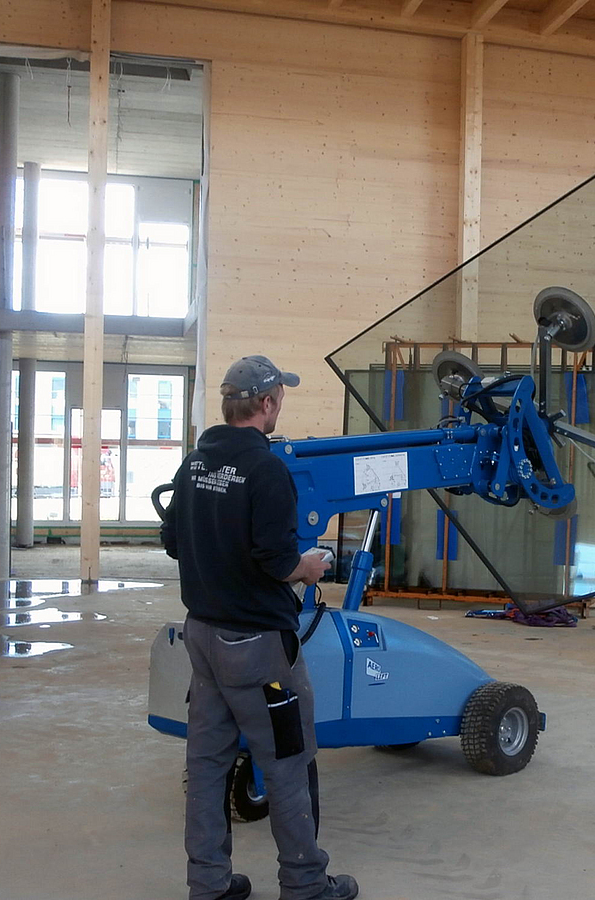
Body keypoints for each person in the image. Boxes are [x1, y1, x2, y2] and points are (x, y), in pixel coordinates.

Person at [161, 354, 358, 900]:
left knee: (206, 764)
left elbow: (174, 541)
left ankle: (209, 885)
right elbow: (276, 558)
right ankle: (305, 884)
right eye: (281, 400)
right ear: (267, 404)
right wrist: (308, 567)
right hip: (259, 652)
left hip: (202, 638)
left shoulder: (195, 462)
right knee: (290, 761)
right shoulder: (267, 469)